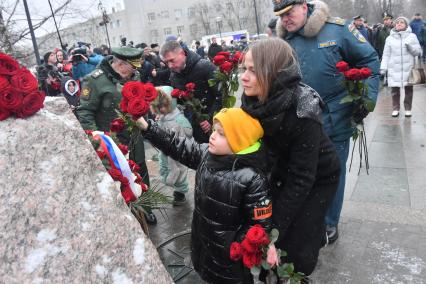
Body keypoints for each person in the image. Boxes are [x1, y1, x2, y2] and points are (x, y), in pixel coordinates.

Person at [274, 0, 380, 244]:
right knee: (302, 171)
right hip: (298, 120)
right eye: (280, 15)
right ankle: (308, 217)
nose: (285, 20)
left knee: (333, 172)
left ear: (303, 6)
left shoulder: (337, 29)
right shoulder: (283, 41)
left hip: (334, 117)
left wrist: (366, 97)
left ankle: (329, 222)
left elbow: (370, 62)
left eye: (289, 13)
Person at [135, 107, 271, 283]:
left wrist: (235, 245)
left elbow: (260, 225)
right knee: (204, 272)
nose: (213, 136)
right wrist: (148, 128)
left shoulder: (252, 179)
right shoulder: (207, 154)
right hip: (202, 241)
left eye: (221, 134)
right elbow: (178, 145)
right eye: (214, 130)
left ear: (239, 141)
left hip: (228, 259)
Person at [240, 38, 340, 276]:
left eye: (252, 71)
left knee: (299, 237)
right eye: (244, 68)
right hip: (283, 167)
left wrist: (272, 230)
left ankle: (299, 271)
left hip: (319, 177)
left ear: (272, 73)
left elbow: (302, 178)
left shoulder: (303, 110)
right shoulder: (252, 97)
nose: (243, 77)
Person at [75, 47, 155, 223]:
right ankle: (122, 214)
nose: (135, 71)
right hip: (111, 142)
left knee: (140, 170)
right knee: (118, 177)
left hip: (134, 136)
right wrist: (96, 141)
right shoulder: (95, 80)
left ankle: (145, 207)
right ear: (119, 63)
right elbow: (85, 113)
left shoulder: (133, 76)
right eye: (132, 67)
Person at [160, 40, 221, 143]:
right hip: (194, 127)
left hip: (217, 125)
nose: (169, 66)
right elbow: (179, 101)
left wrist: (212, 119)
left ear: (182, 54)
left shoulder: (205, 67)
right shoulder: (174, 75)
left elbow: (221, 94)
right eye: (166, 62)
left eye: (172, 60)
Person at [151, 86, 192, 205]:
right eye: (158, 107)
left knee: (180, 171)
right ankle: (175, 187)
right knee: (165, 168)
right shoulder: (162, 118)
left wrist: (179, 135)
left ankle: (180, 193)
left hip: (178, 150)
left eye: (163, 106)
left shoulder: (178, 118)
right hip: (165, 150)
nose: (161, 109)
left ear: (171, 103)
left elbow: (188, 132)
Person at [381, 16, 422, 117]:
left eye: (402, 22)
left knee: (408, 89)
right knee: (394, 90)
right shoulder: (389, 38)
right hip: (393, 68)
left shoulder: (412, 36)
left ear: (406, 25)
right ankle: (395, 108)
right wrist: (383, 67)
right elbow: (386, 54)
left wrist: (410, 47)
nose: (399, 24)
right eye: (397, 22)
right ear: (394, 25)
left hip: (408, 68)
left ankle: (408, 108)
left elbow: (418, 52)